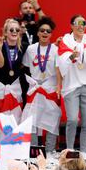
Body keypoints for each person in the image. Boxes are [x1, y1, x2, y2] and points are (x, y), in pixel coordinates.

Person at [56, 15, 86, 160]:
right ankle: (70, 151)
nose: (82, 26)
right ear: (71, 25)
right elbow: (60, 64)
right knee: (72, 120)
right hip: (71, 86)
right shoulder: (64, 42)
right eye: (78, 23)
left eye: (84, 23)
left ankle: (83, 152)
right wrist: (72, 56)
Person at [21, 17, 61, 158]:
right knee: (30, 119)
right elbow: (26, 66)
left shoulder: (56, 50)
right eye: (42, 30)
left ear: (51, 34)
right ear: (37, 33)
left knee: (52, 118)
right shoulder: (31, 49)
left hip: (50, 87)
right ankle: (33, 150)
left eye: (48, 31)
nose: (45, 33)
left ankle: (49, 151)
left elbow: (60, 70)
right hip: (35, 87)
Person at [0, 18, 29, 142]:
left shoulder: (24, 47)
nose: (14, 32)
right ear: (6, 32)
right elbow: (0, 64)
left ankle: (13, 147)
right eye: (11, 30)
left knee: (15, 117)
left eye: (17, 30)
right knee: (0, 117)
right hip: (0, 86)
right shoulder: (0, 45)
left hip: (15, 86)